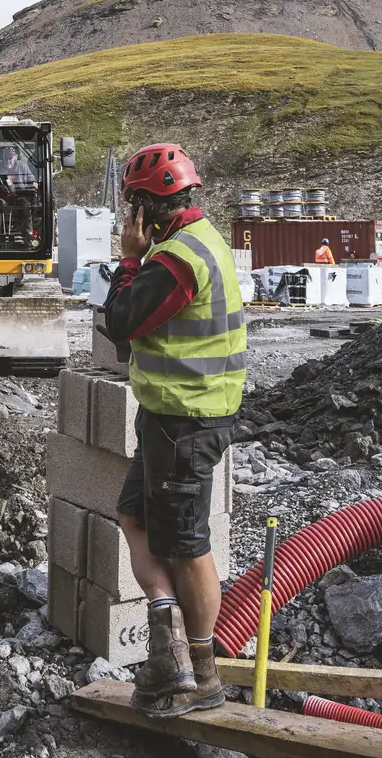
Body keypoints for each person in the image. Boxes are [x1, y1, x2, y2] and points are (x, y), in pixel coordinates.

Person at [104, 143, 246, 720]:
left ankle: (202, 676)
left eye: (131, 208)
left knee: (187, 548)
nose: (127, 218)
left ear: (147, 209)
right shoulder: (199, 240)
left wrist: (130, 259)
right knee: (134, 517)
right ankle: (166, 648)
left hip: (187, 420)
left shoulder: (176, 260)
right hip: (169, 417)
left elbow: (120, 322)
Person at [0, 145, 37, 244]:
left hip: (19, 196)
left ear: (16, 157)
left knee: (25, 204)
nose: (7, 160)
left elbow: (33, 181)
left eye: (10, 158)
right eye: (5, 158)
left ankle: (27, 234)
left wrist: (34, 186)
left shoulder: (23, 166)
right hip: (1, 197)